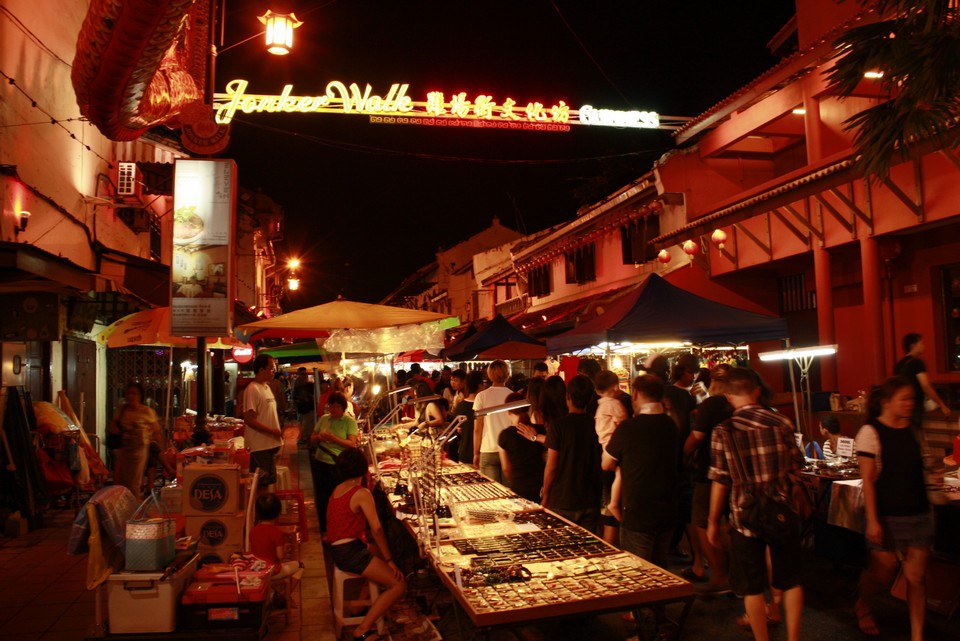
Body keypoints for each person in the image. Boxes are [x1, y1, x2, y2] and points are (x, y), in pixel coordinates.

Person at [707, 367, 804, 641]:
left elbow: (720, 480)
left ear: (728, 396)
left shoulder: (724, 430)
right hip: (781, 511)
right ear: (757, 390)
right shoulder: (782, 422)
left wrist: (713, 521)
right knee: (791, 581)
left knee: (752, 587)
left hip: (744, 515)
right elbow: (797, 465)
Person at [854, 376, 933, 641]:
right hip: (887, 514)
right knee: (883, 571)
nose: (910, 403)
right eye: (904, 399)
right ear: (887, 402)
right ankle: (863, 604)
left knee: (916, 577)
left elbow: (921, 466)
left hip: (918, 513)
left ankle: (917, 635)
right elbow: (868, 481)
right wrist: (873, 520)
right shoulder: (870, 432)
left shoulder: (914, 429)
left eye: (912, 399)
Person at [602, 374, 679, 640]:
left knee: (640, 574)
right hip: (667, 509)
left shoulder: (629, 428)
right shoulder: (671, 426)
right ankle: (659, 623)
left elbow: (606, 463)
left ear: (635, 395)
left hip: (638, 511)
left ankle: (647, 632)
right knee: (660, 570)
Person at [326, 448, 405, 641]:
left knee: (376, 551)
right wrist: (390, 560)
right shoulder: (361, 493)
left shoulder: (338, 488)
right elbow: (376, 529)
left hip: (339, 548)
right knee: (398, 585)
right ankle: (362, 630)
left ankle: (359, 605)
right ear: (363, 469)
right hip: (350, 552)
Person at [682, 364, 733, 592]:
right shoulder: (736, 404)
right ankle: (735, 575)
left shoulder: (712, 404)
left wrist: (683, 453)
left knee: (701, 521)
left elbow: (697, 437)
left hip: (709, 471)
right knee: (729, 523)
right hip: (736, 472)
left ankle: (720, 574)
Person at [541, 374, 602, 533]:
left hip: (562, 499)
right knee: (588, 545)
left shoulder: (558, 426)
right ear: (590, 399)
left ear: (567, 396)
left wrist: (545, 494)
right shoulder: (596, 424)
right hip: (590, 499)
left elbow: (552, 466)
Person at [311, 392, 359, 532]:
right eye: (331, 406)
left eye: (337, 406)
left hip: (338, 464)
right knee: (322, 496)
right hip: (321, 461)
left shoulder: (349, 422)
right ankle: (325, 527)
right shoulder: (324, 419)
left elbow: (352, 443)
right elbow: (312, 437)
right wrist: (320, 437)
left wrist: (333, 438)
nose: (333, 409)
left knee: (338, 496)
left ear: (343, 407)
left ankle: (339, 526)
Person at [250, 493, 304, 607]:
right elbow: (280, 556)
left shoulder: (253, 531)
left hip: (257, 569)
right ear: (278, 513)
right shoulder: (276, 532)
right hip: (272, 571)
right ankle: (284, 596)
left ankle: (278, 595)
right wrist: (284, 548)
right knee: (300, 566)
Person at [594, 370, 630, 545]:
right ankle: (614, 503)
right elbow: (624, 426)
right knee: (620, 473)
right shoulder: (615, 405)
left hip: (604, 446)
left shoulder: (600, 406)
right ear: (615, 387)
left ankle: (612, 503)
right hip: (613, 447)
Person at [109, 382, 160, 499]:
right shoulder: (122, 410)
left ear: (140, 396)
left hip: (139, 451)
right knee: (123, 480)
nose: (131, 396)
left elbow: (156, 430)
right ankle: (125, 504)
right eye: (128, 393)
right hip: (124, 450)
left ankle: (134, 506)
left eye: (134, 394)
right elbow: (113, 426)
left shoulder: (146, 411)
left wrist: (148, 437)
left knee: (134, 482)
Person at [241, 355, 284, 491]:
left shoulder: (266, 387)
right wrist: (272, 431)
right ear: (261, 370)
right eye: (271, 368)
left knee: (267, 483)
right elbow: (249, 419)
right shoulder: (252, 389)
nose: (273, 371)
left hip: (269, 445)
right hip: (259, 447)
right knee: (260, 485)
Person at [893, 333, 950, 428]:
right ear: (913, 345)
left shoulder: (899, 364)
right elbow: (925, 385)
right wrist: (942, 405)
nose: (923, 346)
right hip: (914, 406)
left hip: (900, 407)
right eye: (921, 343)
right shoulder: (917, 362)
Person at [498, 392, 546, 503]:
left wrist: (513, 480)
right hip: (540, 486)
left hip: (518, 485)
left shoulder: (505, 435)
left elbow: (506, 468)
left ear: (508, 411)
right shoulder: (540, 430)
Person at [473, 360, 512, 482]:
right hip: (509, 450)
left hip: (488, 449)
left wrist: (476, 453)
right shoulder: (513, 396)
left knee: (491, 490)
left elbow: (478, 428)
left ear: (489, 375)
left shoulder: (481, 396)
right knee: (508, 491)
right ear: (507, 374)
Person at [453, 370, 482, 464]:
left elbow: (458, 429)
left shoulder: (460, 406)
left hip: (464, 452)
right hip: (480, 453)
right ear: (480, 386)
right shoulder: (483, 407)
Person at [293, 367, 315, 446]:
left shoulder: (310, 385)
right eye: (301, 374)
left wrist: (308, 398)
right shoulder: (297, 386)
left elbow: (314, 396)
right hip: (301, 409)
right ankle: (305, 441)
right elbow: (294, 398)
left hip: (309, 409)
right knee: (304, 425)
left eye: (304, 374)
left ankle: (304, 440)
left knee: (307, 426)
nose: (303, 376)